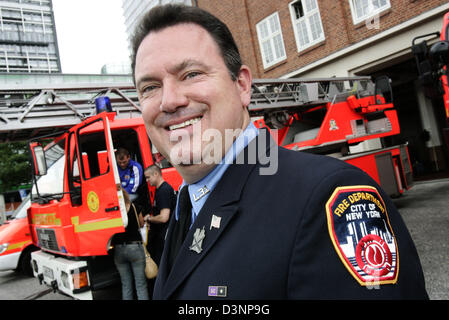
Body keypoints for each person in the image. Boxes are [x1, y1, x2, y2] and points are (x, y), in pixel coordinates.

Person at [131, 4, 428, 299]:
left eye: (191, 74)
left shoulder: (327, 197)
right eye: (150, 88)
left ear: (243, 85)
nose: (168, 101)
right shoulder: (187, 206)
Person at [111, 188, 149, 300]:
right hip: (135, 248)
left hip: (118, 249)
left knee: (126, 284)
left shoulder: (114, 211)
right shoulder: (135, 207)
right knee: (140, 284)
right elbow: (141, 224)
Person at [144, 164, 176, 265]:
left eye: (148, 177)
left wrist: (149, 218)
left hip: (164, 234)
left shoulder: (163, 191)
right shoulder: (160, 190)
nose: (147, 180)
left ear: (156, 174)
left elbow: (163, 217)